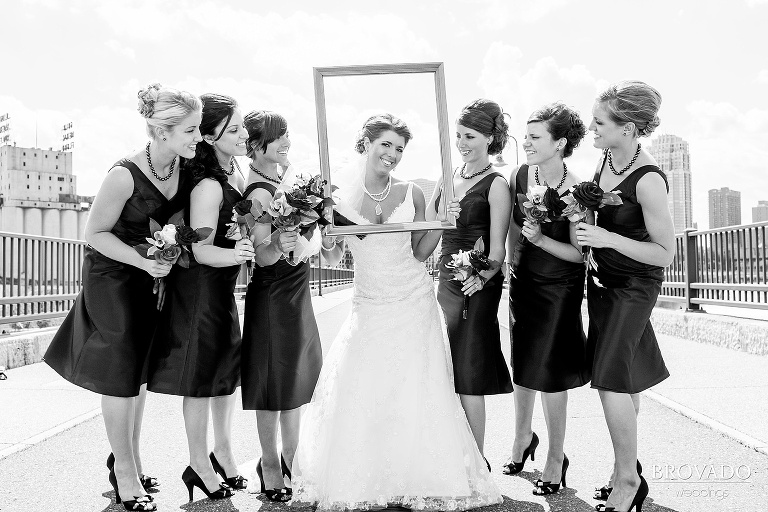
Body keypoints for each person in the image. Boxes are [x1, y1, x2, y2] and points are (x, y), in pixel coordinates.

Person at [291, 114, 502, 511]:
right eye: (385, 144)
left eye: (399, 148)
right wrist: (324, 233)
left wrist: (442, 222)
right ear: (366, 143)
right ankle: (370, 474)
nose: (392, 154)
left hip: (414, 300)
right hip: (370, 304)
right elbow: (333, 257)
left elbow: (421, 252)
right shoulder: (337, 198)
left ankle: (421, 474)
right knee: (368, 386)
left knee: (417, 388)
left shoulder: (411, 192)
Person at [44, 83, 201, 511]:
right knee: (120, 372)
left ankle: (125, 460)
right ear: (163, 131)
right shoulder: (123, 174)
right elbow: (94, 233)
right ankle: (126, 475)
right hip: (113, 276)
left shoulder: (184, 168)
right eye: (190, 130)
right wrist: (142, 260)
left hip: (152, 276)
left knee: (139, 372)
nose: (197, 137)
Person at [147, 93, 253, 501]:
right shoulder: (208, 185)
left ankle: (222, 453)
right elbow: (200, 249)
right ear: (209, 137)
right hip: (201, 290)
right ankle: (198, 463)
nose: (244, 135)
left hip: (222, 288)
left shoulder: (232, 173)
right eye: (234, 129)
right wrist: (238, 253)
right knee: (200, 379)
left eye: (243, 127)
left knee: (223, 375)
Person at [576, 80, 674, 512]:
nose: (591, 129)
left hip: (635, 286)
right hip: (601, 283)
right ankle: (623, 471)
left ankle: (628, 481)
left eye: (599, 123)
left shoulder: (649, 179)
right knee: (626, 375)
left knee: (611, 378)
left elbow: (665, 253)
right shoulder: (605, 158)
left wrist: (606, 238)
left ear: (628, 129)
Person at [502, 102, 590, 496]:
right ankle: (522, 437)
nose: (527, 142)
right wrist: (510, 265)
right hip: (522, 284)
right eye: (526, 136)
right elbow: (511, 226)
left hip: (559, 289)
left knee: (552, 372)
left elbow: (579, 254)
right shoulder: (520, 174)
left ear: (560, 143)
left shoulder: (578, 191)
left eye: (535, 137)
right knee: (522, 362)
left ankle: (556, 457)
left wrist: (540, 240)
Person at [240, 110, 323, 502]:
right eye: (278, 137)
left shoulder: (283, 179)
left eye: (287, 134)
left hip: (295, 288)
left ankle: (292, 456)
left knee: (291, 381)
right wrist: (278, 240)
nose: (286, 142)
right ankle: (270, 463)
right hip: (273, 291)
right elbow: (262, 255)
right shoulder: (259, 191)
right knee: (271, 382)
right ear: (256, 145)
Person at [432, 99, 513, 461]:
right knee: (446, 370)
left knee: (468, 373)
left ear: (490, 138)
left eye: (470, 136)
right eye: (459, 135)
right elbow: (431, 225)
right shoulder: (447, 176)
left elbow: (498, 250)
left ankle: (476, 463)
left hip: (477, 285)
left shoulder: (496, 185)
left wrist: (480, 278)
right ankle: (453, 458)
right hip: (445, 283)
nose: (461, 143)